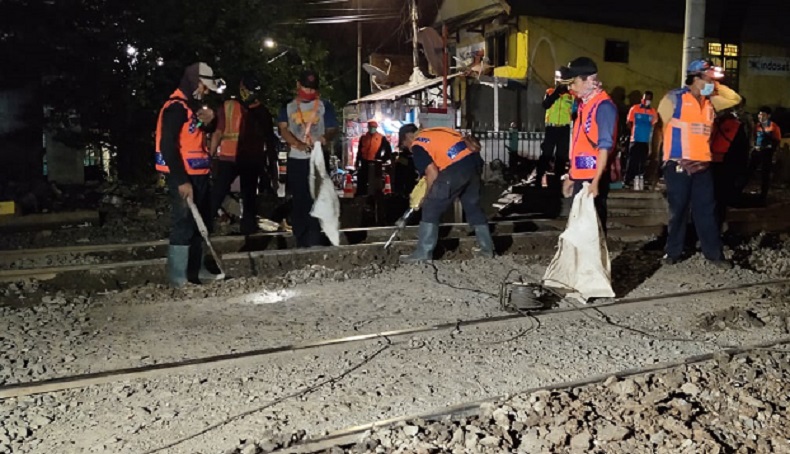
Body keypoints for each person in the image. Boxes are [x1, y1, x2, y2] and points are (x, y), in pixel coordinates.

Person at [656, 59, 739, 267]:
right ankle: (672, 252)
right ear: (695, 78)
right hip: (678, 164)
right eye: (708, 79)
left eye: (713, 80)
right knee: (679, 209)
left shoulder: (711, 102)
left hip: (703, 165)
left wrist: (716, 85)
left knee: (706, 210)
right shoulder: (673, 99)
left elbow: (735, 98)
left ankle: (714, 254)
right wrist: (656, 162)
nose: (712, 82)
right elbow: (658, 130)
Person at [155, 62, 225, 287]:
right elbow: (168, 146)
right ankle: (178, 277)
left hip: (199, 174)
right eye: (204, 86)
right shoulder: (175, 107)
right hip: (185, 176)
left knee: (200, 222)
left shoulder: (189, 107)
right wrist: (181, 180)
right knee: (184, 223)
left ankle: (198, 270)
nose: (205, 92)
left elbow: (194, 136)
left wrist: (209, 122)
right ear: (196, 82)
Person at [398, 124, 494, 262]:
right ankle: (487, 250)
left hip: (455, 169)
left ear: (407, 137)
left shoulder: (418, 144)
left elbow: (432, 172)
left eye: (404, 145)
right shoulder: (433, 132)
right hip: (474, 164)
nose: (408, 148)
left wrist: (425, 197)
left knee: (431, 207)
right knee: (473, 206)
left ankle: (423, 254)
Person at [210, 73, 279, 235]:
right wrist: (271, 170)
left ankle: (205, 225)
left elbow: (218, 133)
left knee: (223, 193)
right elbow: (269, 142)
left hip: (235, 158)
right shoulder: (259, 111)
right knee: (244, 196)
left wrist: (209, 157)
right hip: (243, 158)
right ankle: (246, 228)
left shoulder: (230, 106)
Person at [277, 69, 338, 247]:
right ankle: (300, 236)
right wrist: (298, 144)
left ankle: (314, 236)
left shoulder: (325, 105)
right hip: (296, 159)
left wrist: (325, 137)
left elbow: (333, 127)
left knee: (317, 198)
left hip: (318, 159)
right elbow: (283, 129)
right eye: (306, 87)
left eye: (312, 89)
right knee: (299, 198)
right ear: (298, 85)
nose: (309, 92)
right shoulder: (287, 106)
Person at [559, 57, 617, 233]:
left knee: (593, 228)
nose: (570, 88)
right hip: (582, 178)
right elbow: (580, 148)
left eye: (572, 82)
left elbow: (604, 147)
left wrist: (596, 182)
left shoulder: (603, 106)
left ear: (586, 80)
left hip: (593, 179)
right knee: (580, 228)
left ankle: (595, 261)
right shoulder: (584, 106)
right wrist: (572, 176)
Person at [536, 73, 575, 187]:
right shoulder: (550, 92)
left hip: (564, 128)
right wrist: (556, 93)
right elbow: (545, 105)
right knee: (546, 154)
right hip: (551, 127)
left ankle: (557, 181)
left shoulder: (571, 96)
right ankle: (539, 178)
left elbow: (575, 112)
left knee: (561, 156)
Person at [748, 106, 782, 203]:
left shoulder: (773, 126)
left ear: (769, 116)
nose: (760, 116)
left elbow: (777, 141)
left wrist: (771, 151)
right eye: (759, 114)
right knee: (750, 171)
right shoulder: (757, 126)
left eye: (763, 114)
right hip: (757, 152)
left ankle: (763, 197)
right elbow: (754, 138)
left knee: (765, 175)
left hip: (767, 153)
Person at [625, 91, 658, 188]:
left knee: (642, 162)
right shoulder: (634, 109)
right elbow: (629, 122)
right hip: (635, 139)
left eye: (648, 99)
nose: (646, 101)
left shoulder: (653, 112)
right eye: (645, 98)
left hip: (646, 141)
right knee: (632, 160)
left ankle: (640, 181)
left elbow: (655, 125)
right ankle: (628, 180)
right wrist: (634, 131)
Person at [355, 120, 392, 196]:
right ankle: (361, 195)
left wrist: (383, 159)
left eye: (373, 127)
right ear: (368, 127)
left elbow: (388, 150)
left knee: (375, 181)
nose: (372, 129)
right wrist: (357, 161)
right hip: (364, 162)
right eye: (370, 127)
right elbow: (359, 150)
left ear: (376, 128)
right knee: (362, 179)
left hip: (376, 163)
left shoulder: (381, 138)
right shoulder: (363, 138)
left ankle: (376, 196)